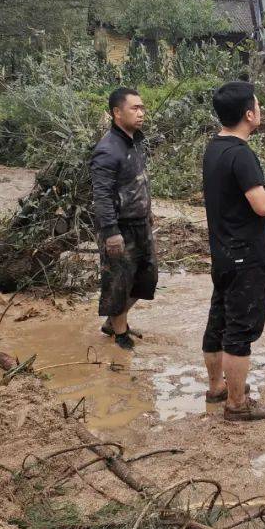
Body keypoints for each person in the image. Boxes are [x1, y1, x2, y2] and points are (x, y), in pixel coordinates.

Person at [202, 81, 265, 422]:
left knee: (219, 322)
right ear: (249, 114)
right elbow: (261, 205)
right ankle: (236, 404)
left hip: (222, 253)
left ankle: (217, 387)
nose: (260, 111)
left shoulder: (214, 148)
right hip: (246, 256)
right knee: (240, 332)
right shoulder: (241, 154)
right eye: (258, 106)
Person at [90, 87, 156, 351]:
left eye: (142, 108)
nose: (141, 113)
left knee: (146, 278)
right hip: (119, 228)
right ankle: (119, 333)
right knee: (119, 282)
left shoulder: (135, 141)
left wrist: (147, 210)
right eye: (134, 108)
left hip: (140, 223)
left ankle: (113, 321)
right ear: (117, 113)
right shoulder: (107, 149)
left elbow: (136, 181)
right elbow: (102, 196)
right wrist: (110, 232)